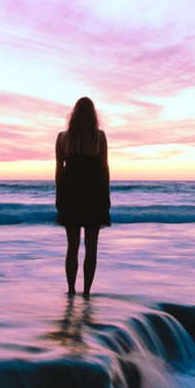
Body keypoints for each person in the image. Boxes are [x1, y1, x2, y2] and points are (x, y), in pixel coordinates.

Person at [55, 97, 111, 297]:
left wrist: (59, 197)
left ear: (74, 115)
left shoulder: (63, 137)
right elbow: (104, 169)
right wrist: (107, 198)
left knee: (72, 246)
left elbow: (59, 171)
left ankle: (71, 290)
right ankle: (86, 292)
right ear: (93, 114)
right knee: (91, 247)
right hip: (94, 195)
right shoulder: (99, 137)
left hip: (71, 195)